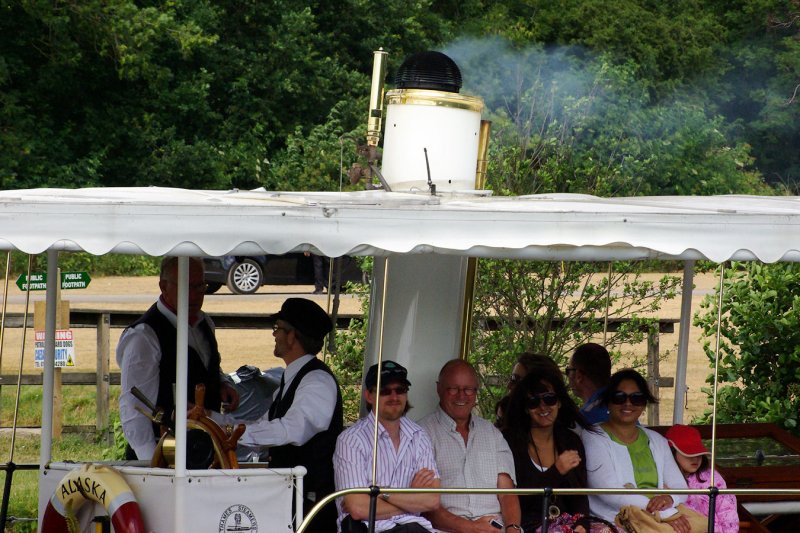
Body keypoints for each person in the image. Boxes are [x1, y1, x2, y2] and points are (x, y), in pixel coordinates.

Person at [212, 297, 343, 533]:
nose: (274, 335)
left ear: (292, 336)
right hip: (293, 497)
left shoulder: (317, 381)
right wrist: (211, 421)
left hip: (311, 503)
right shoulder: (291, 379)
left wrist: (231, 432)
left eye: (278, 329)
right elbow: (261, 425)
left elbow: (292, 429)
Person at [117, 256, 239, 461]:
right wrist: (151, 464)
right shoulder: (144, 336)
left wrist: (222, 383)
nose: (195, 295)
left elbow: (206, 364)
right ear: (163, 286)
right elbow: (134, 407)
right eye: (187, 287)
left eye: (201, 286)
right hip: (163, 453)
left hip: (206, 449)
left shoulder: (204, 323)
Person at [334, 360, 440, 533]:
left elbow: (433, 500)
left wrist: (381, 494)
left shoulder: (419, 436)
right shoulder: (351, 440)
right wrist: (410, 496)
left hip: (415, 529)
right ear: (369, 395)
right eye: (385, 391)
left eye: (400, 390)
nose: (394, 397)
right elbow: (357, 508)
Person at [581, 369, 690, 532]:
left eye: (636, 398)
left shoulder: (657, 440)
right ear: (608, 402)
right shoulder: (592, 436)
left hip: (656, 518)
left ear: (644, 404)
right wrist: (664, 511)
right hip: (612, 519)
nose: (628, 403)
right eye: (619, 397)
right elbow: (607, 490)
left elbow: (679, 487)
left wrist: (669, 498)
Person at [419, 360, 521, 533]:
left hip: (496, 529)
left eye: (468, 389)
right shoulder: (421, 434)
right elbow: (426, 506)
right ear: (439, 389)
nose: (461, 396)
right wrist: (472, 528)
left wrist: (513, 529)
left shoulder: (491, 433)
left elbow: (507, 494)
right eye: (453, 389)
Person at [501, 365, 595, 532]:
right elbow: (517, 499)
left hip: (566, 522)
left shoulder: (570, 440)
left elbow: (579, 495)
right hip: (527, 525)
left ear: (559, 402)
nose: (543, 407)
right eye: (534, 402)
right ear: (525, 408)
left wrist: (582, 524)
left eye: (550, 399)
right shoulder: (511, 441)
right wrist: (556, 471)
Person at [665, 424, 739, 532]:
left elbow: (727, 510)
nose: (695, 459)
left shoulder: (712, 478)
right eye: (688, 454)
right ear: (672, 453)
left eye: (699, 454)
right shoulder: (664, 479)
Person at [497, 352, 561, 428]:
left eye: (515, 380)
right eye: (512, 378)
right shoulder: (505, 410)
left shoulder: (569, 435)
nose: (509, 385)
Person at [566, 343, 611, 424]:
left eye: (568, 371)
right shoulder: (624, 407)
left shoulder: (584, 420)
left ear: (579, 376)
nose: (568, 376)